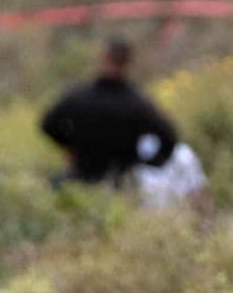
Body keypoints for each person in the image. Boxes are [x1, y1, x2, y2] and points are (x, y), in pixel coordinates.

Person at [40, 38, 179, 185]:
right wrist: (145, 162)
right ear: (128, 64)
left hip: (81, 178)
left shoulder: (79, 97)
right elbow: (169, 137)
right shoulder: (137, 104)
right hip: (121, 181)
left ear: (104, 58)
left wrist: (70, 146)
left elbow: (48, 123)